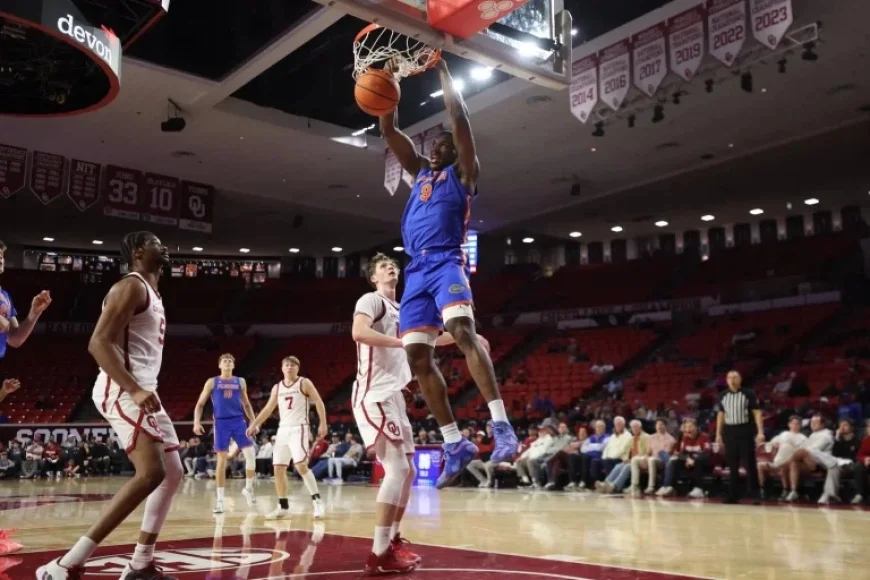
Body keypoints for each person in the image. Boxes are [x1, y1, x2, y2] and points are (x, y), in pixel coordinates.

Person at [379, 59, 517, 488]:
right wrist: (388, 84)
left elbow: (460, 119)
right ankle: (454, 443)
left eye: (444, 144)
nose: (436, 148)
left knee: (461, 331)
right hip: (416, 270)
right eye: (433, 145)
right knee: (417, 356)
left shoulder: (464, 175)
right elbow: (389, 130)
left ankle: (500, 425)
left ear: (457, 152)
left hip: (445, 262)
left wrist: (442, 69)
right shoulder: (421, 171)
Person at [37, 231, 181, 580]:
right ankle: (65, 565)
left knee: (173, 472)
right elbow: (98, 342)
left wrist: (142, 389)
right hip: (122, 389)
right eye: (155, 243)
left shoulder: (153, 292)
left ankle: (141, 564)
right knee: (151, 472)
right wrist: (134, 389)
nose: (163, 247)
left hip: (144, 389)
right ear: (137, 251)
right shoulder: (130, 286)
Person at [352, 253, 454, 573]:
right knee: (396, 469)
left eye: (394, 265)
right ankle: (379, 553)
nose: (391, 268)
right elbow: (359, 332)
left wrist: (467, 337)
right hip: (375, 393)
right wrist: (401, 344)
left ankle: (392, 540)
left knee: (407, 472)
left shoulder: (405, 308)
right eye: (384, 266)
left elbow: (429, 339)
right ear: (374, 277)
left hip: (395, 396)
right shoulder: (371, 299)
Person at [246, 356, 326, 520]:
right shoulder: (277, 387)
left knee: (301, 466)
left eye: (293, 365)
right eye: (287, 365)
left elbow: (318, 401)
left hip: (299, 428)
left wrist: (323, 423)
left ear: (298, 368)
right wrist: (254, 424)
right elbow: (269, 408)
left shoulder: (304, 383)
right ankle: (283, 508)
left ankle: (317, 501)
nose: (289, 367)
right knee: (278, 469)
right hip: (283, 429)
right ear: (282, 368)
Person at [193, 353, 258, 514]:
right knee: (221, 461)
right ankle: (220, 501)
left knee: (251, 455)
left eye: (230, 361)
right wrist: (196, 422)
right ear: (220, 365)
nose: (227, 363)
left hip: (239, 421)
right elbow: (200, 404)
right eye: (225, 361)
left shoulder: (240, 381)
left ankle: (248, 488)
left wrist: (254, 422)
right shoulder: (212, 381)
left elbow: (246, 404)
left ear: (233, 365)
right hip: (221, 423)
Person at [715, 370, 764, 504]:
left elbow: (757, 413)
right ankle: (733, 495)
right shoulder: (722, 395)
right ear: (726, 380)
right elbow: (721, 415)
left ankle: (754, 494)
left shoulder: (748, 393)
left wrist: (760, 432)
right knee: (732, 464)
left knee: (749, 463)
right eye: (729, 377)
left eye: (735, 377)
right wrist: (718, 434)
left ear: (740, 379)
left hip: (745, 430)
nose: (732, 380)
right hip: (729, 431)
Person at [0, 239, 52, 361]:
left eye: (1, 255)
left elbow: (14, 339)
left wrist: (34, 313)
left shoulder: (5, 296)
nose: (0, 258)